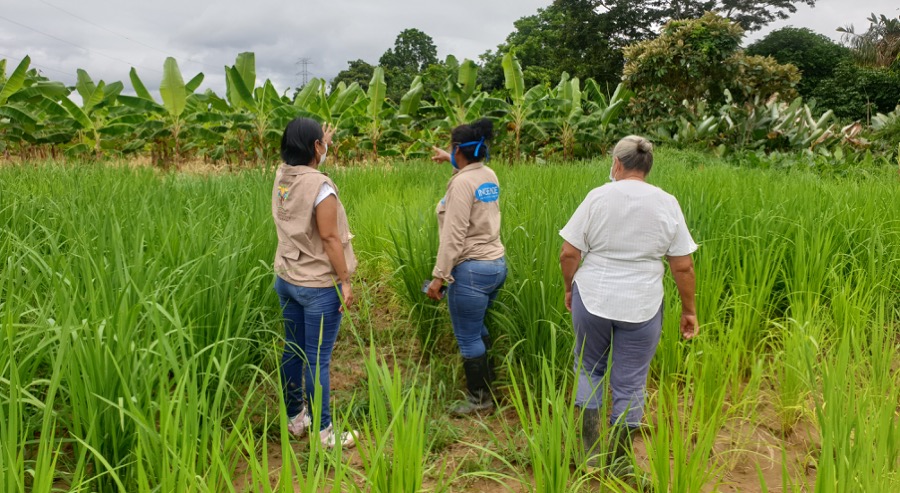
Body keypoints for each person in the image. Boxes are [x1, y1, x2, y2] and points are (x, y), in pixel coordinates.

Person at [559, 135, 699, 473]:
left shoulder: (598, 197)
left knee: (590, 369)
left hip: (591, 298)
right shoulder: (666, 202)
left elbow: (568, 252)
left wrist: (569, 288)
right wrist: (689, 309)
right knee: (630, 382)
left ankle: (589, 454)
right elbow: (683, 265)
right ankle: (620, 462)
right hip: (642, 304)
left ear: (617, 164)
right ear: (647, 166)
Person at [272, 117, 356, 449]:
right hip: (319, 285)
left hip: (287, 278)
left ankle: (295, 419)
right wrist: (345, 281)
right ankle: (324, 433)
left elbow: (306, 169)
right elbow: (331, 238)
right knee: (317, 359)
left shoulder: (282, 175)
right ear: (315, 148)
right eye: (321, 142)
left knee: (292, 351)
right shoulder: (322, 187)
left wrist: (323, 144)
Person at [428, 118, 507, 416]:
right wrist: (450, 157)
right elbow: (468, 169)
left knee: (469, 336)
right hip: (495, 265)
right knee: (478, 328)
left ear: (459, 149)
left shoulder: (461, 183)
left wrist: (439, 278)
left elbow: (453, 236)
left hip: (471, 271)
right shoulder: (488, 174)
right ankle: (490, 386)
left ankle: (480, 400)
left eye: (452, 149)